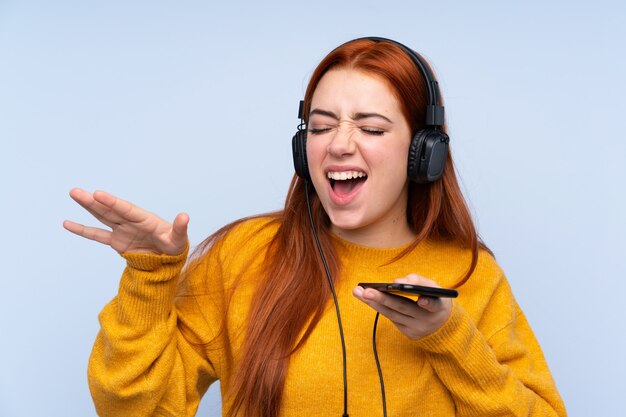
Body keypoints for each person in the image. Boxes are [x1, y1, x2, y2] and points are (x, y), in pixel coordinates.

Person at [64, 37, 567, 417]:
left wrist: (451, 339)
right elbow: (135, 409)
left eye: (370, 128)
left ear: (424, 152)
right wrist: (150, 275)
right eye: (322, 127)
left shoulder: (471, 275)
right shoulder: (242, 256)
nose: (339, 145)